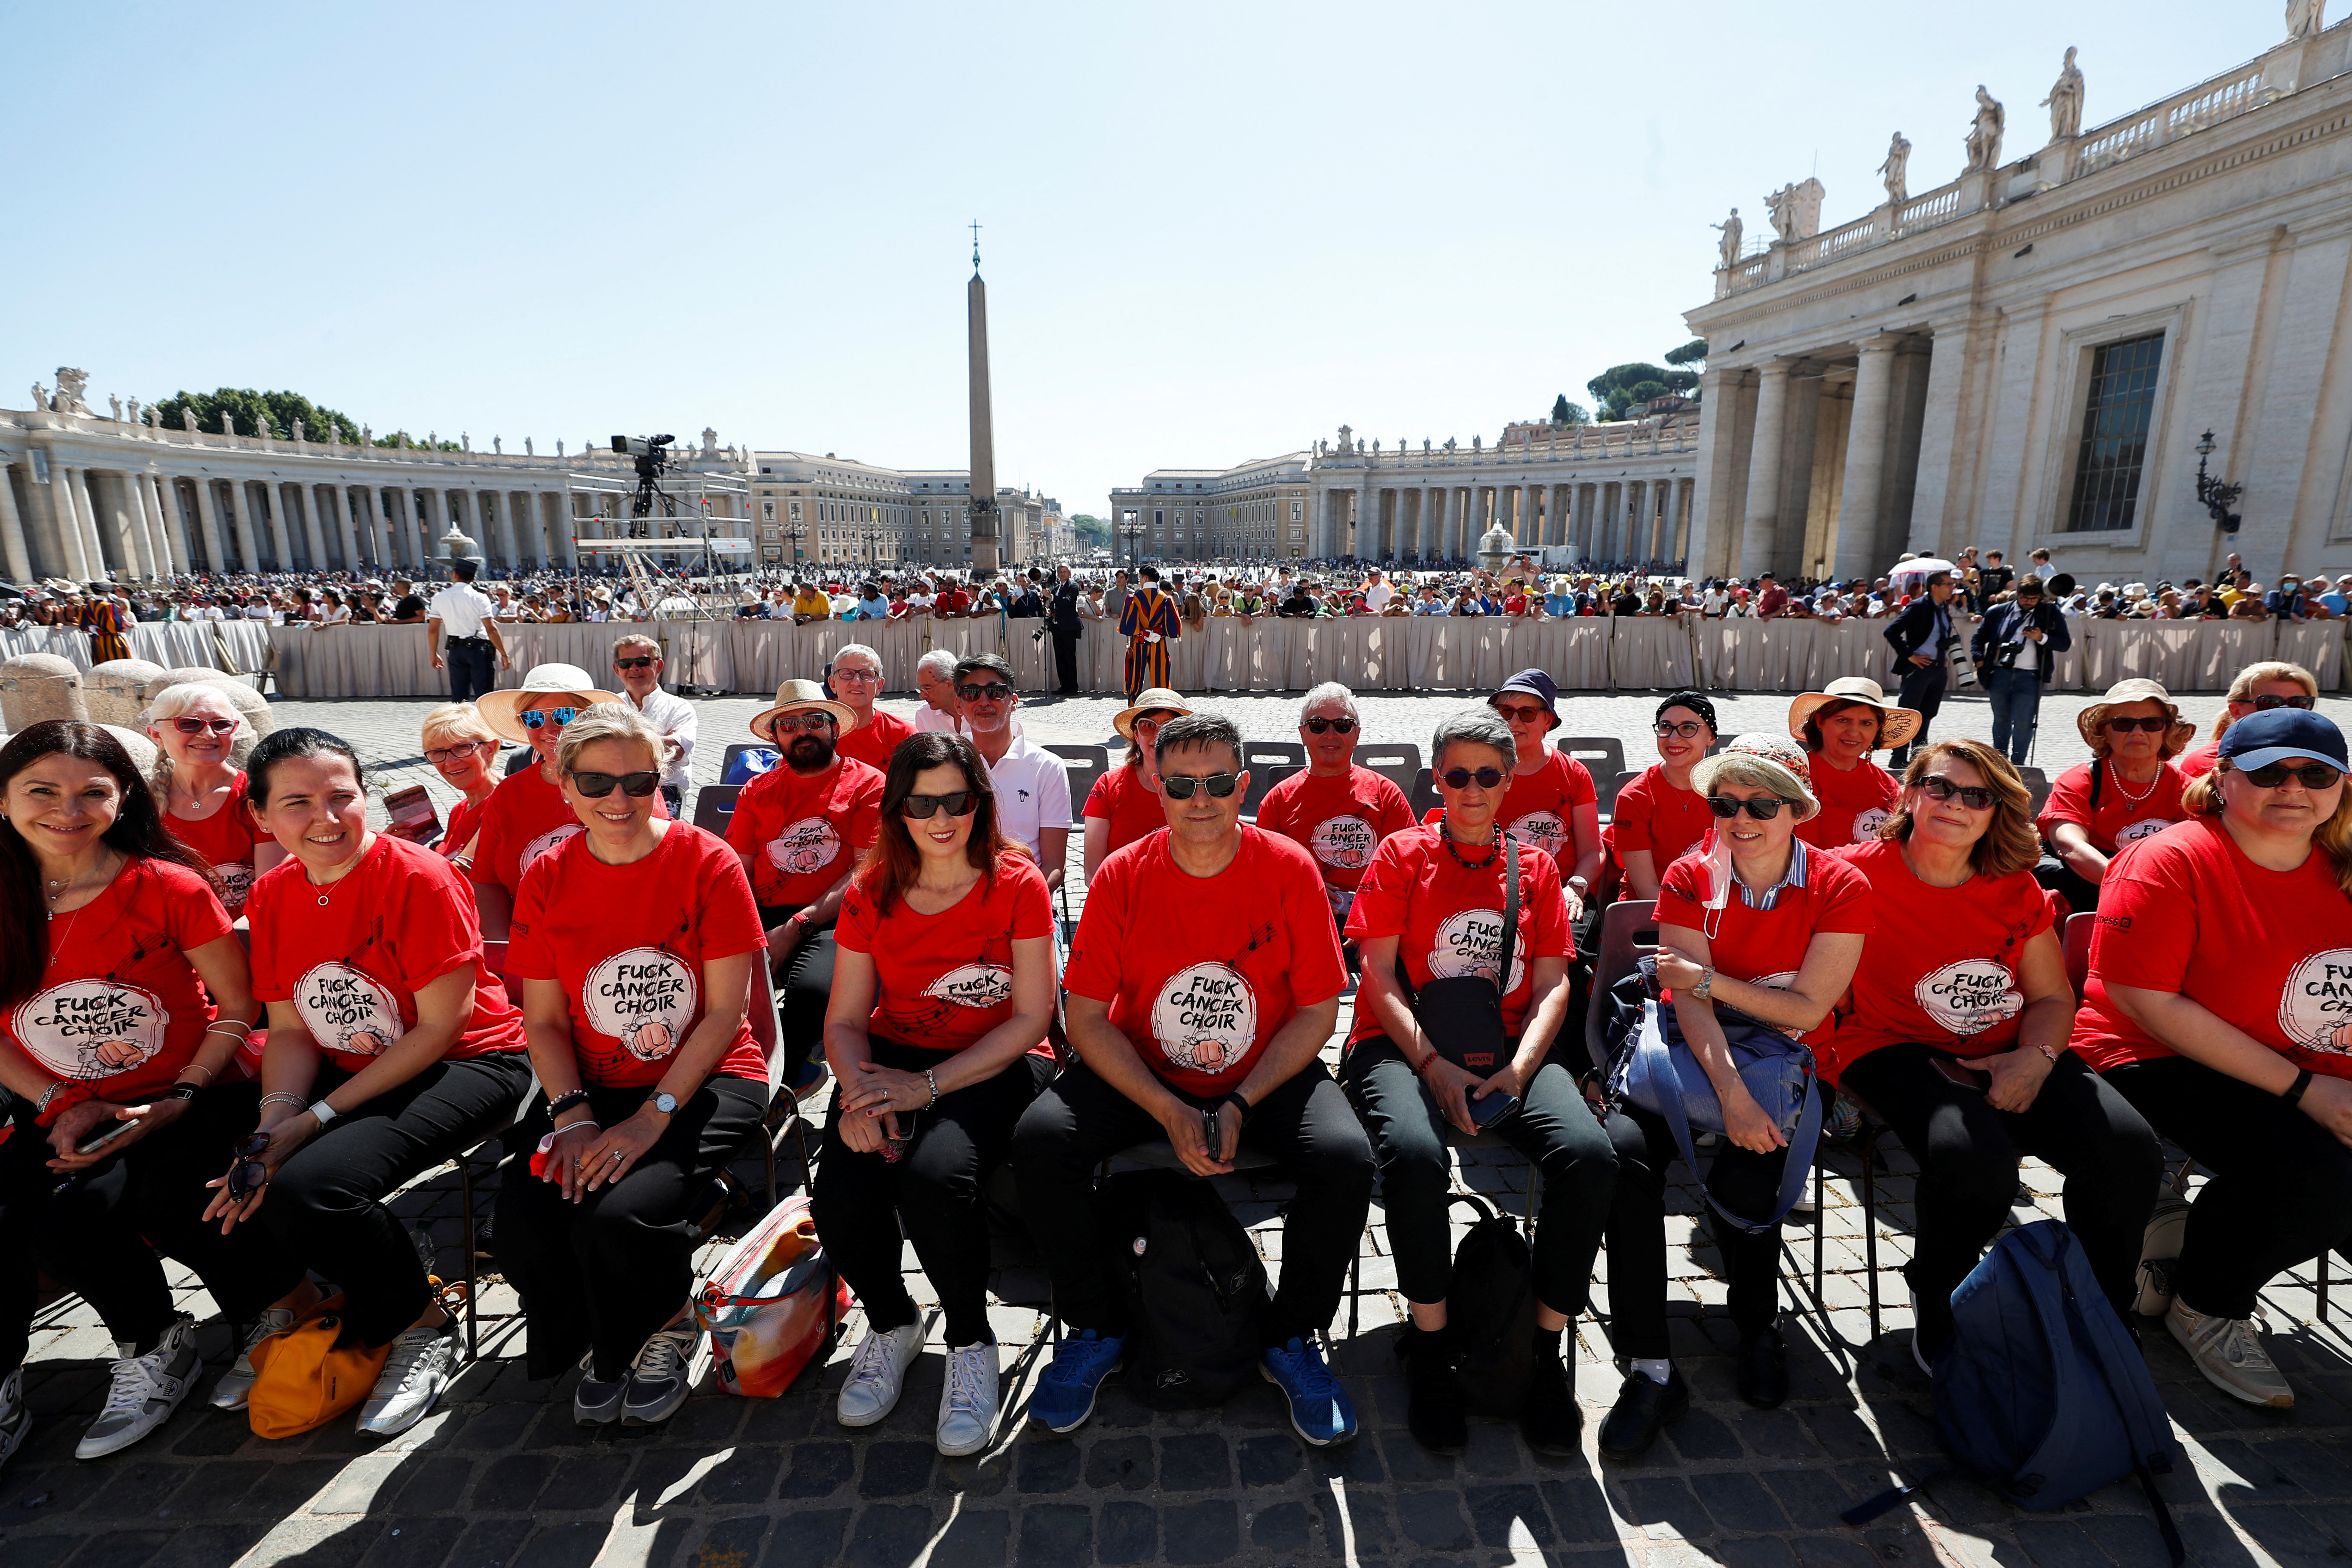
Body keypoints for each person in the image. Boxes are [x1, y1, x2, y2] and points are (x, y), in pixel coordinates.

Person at [1013, 713, 1370, 1446]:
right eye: (1181, 783)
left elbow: (1314, 1012)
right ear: (1155, 784)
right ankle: (1097, 1324)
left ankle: (1289, 1335)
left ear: (1243, 784)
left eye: (1216, 782)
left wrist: (1241, 1099)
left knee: (1344, 1158)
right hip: (1142, 1072)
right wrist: (1167, 1107)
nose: (1199, 797)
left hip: (1263, 1073)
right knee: (1041, 1141)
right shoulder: (1122, 873)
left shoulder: (1288, 865)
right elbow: (1085, 1018)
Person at [219, 728, 535, 1436]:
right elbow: (293, 1027)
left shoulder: (417, 875)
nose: (326, 818)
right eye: (298, 803)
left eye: (342, 796)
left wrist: (315, 1118)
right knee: (225, 1162)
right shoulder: (272, 893)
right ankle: (299, 1296)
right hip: (353, 1061)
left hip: (472, 1060)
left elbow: (439, 1027)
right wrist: (276, 1117)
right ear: (263, 819)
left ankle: (422, 1320)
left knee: (314, 1185)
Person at [1827, 739, 2161, 1369]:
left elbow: (2052, 999)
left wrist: (2034, 1058)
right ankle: (1939, 1291)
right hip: (1891, 1043)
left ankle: (2100, 1305)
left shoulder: (2015, 888)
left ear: (1995, 812)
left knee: (2127, 1149)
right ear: (1909, 793)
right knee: (1975, 1162)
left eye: (1976, 796)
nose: (1956, 804)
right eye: (1940, 787)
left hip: (2010, 1042)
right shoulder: (1850, 874)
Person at [0, 723, 279, 1464]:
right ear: (3, 799)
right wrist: (61, 1102)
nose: (68, 808)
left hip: (189, 1089)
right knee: (28, 1215)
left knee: (149, 1197)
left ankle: (230, 1320)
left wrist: (181, 1095)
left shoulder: (167, 885)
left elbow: (240, 1006)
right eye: (42, 790)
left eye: (92, 790)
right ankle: (132, 1345)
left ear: (123, 797)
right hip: (60, 1101)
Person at [1341, 708, 1607, 1457]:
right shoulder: (1400, 853)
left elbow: (1555, 982)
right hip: (1402, 1045)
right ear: (1435, 778)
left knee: (1590, 1157)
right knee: (1415, 1157)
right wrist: (1431, 1063)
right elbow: (1379, 975)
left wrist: (1522, 1068)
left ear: (1509, 780)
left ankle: (1544, 1349)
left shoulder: (1535, 867)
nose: (1471, 789)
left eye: (1487, 775)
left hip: (1506, 1048)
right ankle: (1430, 1347)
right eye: (1456, 775)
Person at [496, 704, 771, 1427]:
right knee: (525, 1219)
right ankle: (602, 1328)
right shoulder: (549, 875)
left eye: (638, 780)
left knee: (619, 1214)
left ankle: (671, 1321)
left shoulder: (705, 860)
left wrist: (654, 1118)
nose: (618, 799)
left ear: (660, 780)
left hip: (708, 1079)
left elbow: (722, 1015)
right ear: (562, 783)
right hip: (591, 1088)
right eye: (596, 781)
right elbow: (546, 1021)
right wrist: (574, 1115)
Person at [1599, 734, 1873, 1455]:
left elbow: (1809, 1010)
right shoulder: (1692, 874)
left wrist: (1708, 981)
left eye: (1761, 802)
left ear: (1798, 809)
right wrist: (1729, 1092)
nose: (1740, 817)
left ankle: (1756, 1322)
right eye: (1725, 801)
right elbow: (1684, 1005)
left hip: (1787, 1056)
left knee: (1751, 1178)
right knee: (1621, 1159)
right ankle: (1649, 1360)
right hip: (1695, 1051)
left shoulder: (1842, 884)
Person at [2073, 708, 2352, 1408]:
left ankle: (2199, 1237)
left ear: (2340, 786)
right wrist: (2306, 1093)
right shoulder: (2169, 859)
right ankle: (2206, 1298)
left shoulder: (2343, 865)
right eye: (2267, 770)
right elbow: (2148, 1001)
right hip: (2152, 1050)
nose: (2293, 786)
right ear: (2223, 778)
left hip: (2300, 1051)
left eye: (2315, 772)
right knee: (2315, 1172)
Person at [816, 733, 1057, 1455]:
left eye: (957, 797)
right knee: (841, 1189)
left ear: (980, 802)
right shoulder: (869, 890)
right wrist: (859, 1096)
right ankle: (891, 1320)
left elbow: (1030, 1016)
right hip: (890, 1059)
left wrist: (924, 1088)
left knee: (935, 1177)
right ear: (898, 807)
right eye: (923, 801)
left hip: (998, 1059)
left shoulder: (1016, 881)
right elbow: (846, 1020)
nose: (942, 816)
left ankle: (971, 1341)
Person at [723, 680, 885, 1083]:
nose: (802, 731)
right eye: (789, 725)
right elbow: (737, 868)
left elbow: (865, 872)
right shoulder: (757, 790)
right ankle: (732, 1070)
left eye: (814, 720)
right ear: (776, 736)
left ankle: (793, 1071)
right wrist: (747, 934)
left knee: (812, 993)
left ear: (834, 728)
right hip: (761, 914)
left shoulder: (868, 785)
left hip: (838, 917)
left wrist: (797, 927)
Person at [466, 663, 649, 926]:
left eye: (564, 715)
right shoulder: (509, 792)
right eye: (534, 718)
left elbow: (654, 869)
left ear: (590, 719)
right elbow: (486, 881)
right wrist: (505, 950)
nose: (550, 729)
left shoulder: (630, 781)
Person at [1254, 684, 1414, 939]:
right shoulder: (1279, 799)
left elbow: (1409, 868)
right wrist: (1307, 891)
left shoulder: (1386, 793)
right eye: (1318, 725)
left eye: (1342, 725)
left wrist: (1368, 914)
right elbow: (1263, 875)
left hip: (1376, 917)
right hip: (1301, 918)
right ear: (1303, 734)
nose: (1330, 734)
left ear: (1357, 734)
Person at [2036, 679, 2195, 914]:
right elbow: (2069, 844)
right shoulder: (2081, 780)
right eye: (2123, 724)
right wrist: (2126, 885)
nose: (2138, 732)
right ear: (2104, 732)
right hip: (2089, 885)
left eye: (2151, 723)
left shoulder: (2188, 789)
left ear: (2167, 731)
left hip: (2158, 889)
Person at [144, 682, 283, 917]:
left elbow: (271, 894)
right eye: (189, 724)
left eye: (221, 725)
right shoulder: (142, 804)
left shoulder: (257, 796)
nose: (208, 734)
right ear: (156, 734)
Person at [1485, 670, 1599, 918]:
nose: (1514, 722)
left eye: (1528, 713)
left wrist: (1576, 887)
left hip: (1562, 890)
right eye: (1505, 712)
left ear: (1548, 721)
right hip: (1492, 889)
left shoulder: (1573, 773)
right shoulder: (1481, 771)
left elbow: (1593, 850)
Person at [951, 655, 1069, 891]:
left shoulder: (1047, 767)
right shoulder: (946, 765)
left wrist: (1020, 907)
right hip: (958, 899)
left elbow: (1055, 866)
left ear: (1013, 701)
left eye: (995, 691)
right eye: (972, 693)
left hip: (1027, 898)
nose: (984, 701)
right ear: (959, 705)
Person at [1612, 692, 1719, 901]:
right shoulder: (1635, 797)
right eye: (1665, 727)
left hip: (1717, 906)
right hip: (1651, 909)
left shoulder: (1730, 790)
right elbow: (1647, 888)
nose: (1674, 738)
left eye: (1689, 728)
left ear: (1711, 738)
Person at [1787, 677, 1916, 849]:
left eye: (1866, 723)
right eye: (1843, 720)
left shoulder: (1887, 783)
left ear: (1878, 728)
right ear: (1820, 722)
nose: (1854, 732)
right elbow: (1804, 853)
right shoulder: (1800, 777)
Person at [1082, 688, 1189, 885]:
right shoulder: (1109, 785)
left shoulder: (1202, 788)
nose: (1158, 734)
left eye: (1169, 727)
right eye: (1148, 726)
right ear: (1136, 736)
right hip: (1123, 902)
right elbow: (1093, 874)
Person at [1969, 574, 2069, 766]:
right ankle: (1999, 763)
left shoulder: (2048, 613)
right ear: (2017, 594)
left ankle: (2019, 764)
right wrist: (1979, 660)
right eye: (2025, 598)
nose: (2029, 603)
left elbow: (2064, 644)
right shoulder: (1997, 612)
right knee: (2001, 720)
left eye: (2034, 599)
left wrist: (2042, 637)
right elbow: (1979, 638)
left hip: (2030, 676)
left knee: (2024, 722)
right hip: (1999, 673)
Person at [2178, 661, 2319, 781]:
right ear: (2236, 710)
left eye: (2300, 703)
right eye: (2269, 703)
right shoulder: (2206, 764)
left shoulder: (2324, 759)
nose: (2285, 711)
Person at [611, 634, 697, 818]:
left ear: (659, 666)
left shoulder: (680, 707)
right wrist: (657, 743)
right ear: (617, 669)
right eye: (626, 663)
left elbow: (677, 751)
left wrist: (617, 743)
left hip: (664, 790)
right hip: (613, 788)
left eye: (642, 661)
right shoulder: (608, 706)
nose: (634, 668)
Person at [1882, 570, 1955, 767]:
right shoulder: (1919, 606)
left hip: (1938, 668)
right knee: (1909, 713)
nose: (1952, 588)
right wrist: (1910, 655)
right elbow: (1891, 632)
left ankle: (1919, 758)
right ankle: (1898, 757)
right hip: (1919, 668)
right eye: (1948, 584)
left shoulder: (1943, 607)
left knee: (1927, 713)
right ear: (1935, 587)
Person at [419, 702, 501, 866]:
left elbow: (463, 870)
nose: (451, 762)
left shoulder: (505, 803)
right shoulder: (460, 810)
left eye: (462, 748)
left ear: (490, 749)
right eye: (438, 752)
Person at [426, 560, 511, 704]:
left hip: (455, 648)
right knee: (484, 696)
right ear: (473, 579)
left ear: (455, 575)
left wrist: (433, 654)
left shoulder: (439, 598)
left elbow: (433, 630)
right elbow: (491, 629)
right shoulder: (479, 597)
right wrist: (504, 653)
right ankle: (483, 725)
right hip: (477, 648)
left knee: (459, 696)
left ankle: (460, 725)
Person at [825, 643, 913, 775]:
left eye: (866, 675)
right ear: (833, 684)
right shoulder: (815, 735)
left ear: (879, 685)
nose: (856, 682)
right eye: (847, 674)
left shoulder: (903, 735)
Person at [1118, 565, 1182, 701]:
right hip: (1158, 643)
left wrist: (1144, 633)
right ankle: (1162, 709)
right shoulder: (1166, 599)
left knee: (1136, 680)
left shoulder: (1134, 598)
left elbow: (1127, 627)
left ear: (1144, 578)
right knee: (1161, 680)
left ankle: (1133, 709)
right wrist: (1157, 633)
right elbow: (1174, 627)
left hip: (1139, 644)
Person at [909, 648, 965, 736]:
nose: (922, 696)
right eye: (921, 688)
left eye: (927, 688)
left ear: (950, 683)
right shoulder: (924, 715)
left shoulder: (979, 710)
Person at [1049, 564, 1085, 695]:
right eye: (1061, 572)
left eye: (1065, 572)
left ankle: (1072, 687)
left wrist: (1052, 598)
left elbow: (1069, 601)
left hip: (1069, 627)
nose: (1063, 574)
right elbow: (1053, 604)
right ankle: (1063, 685)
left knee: (1070, 657)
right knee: (1060, 657)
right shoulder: (1057, 588)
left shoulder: (1073, 586)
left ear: (1069, 573)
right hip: (1057, 627)